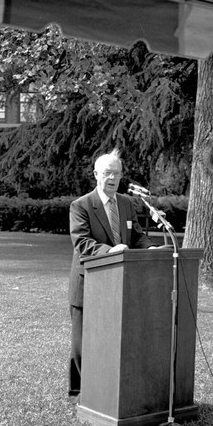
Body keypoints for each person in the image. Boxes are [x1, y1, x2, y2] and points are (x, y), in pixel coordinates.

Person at [67, 149, 155, 402]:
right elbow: (82, 242)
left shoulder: (126, 203)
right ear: (96, 174)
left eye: (117, 173)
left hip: (120, 283)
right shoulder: (81, 205)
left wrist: (149, 248)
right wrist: (110, 250)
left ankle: (108, 387)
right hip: (89, 282)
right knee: (83, 340)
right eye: (107, 173)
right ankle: (80, 391)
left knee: (112, 337)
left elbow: (136, 234)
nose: (112, 178)